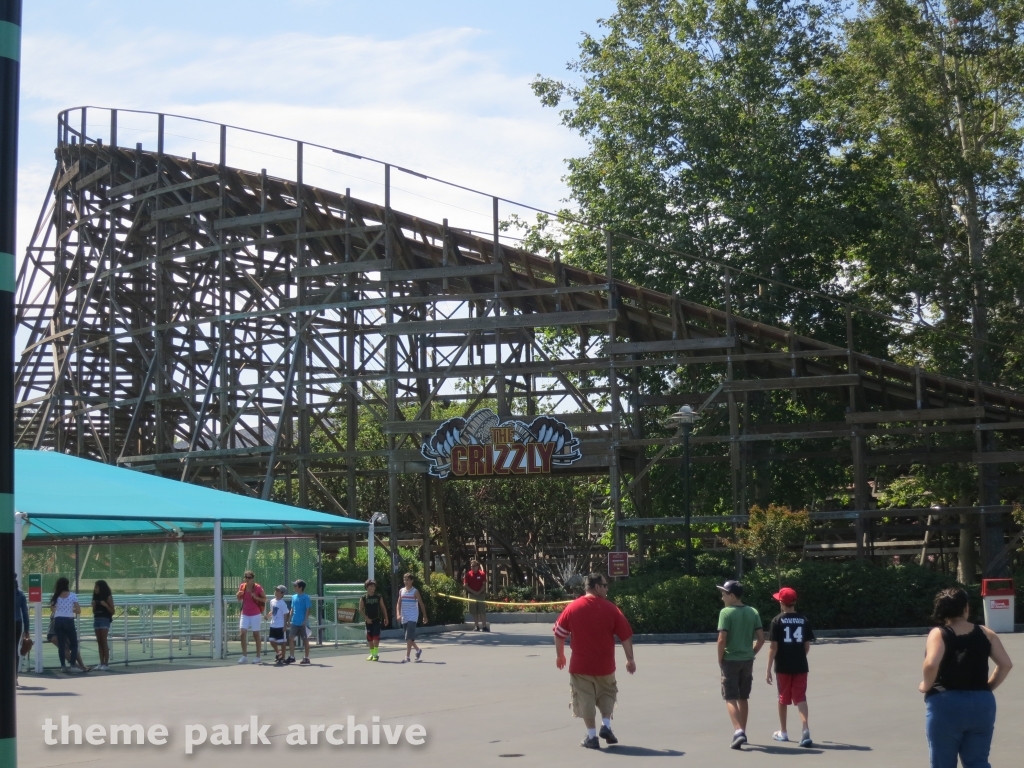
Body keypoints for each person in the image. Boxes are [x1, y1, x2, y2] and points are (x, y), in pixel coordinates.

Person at [920, 587, 1013, 768]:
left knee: (943, 762)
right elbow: (1005, 664)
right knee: (978, 761)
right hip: (982, 703)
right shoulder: (986, 633)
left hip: (946, 702)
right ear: (966, 608)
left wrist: (926, 685)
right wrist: (987, 688)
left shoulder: (939, 633)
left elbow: (931, 664)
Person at [553, 572, 636, 750]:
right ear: (597, 587)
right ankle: (606, 725)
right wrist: (630, 659)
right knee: (607, 694)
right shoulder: (612, 609)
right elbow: (625, 635)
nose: (607, 589)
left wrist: (560, 654)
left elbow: (559, 633)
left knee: (585, 699)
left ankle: (591, 737)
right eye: (605, 585)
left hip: (580, 666)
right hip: (605, 665)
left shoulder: (573, 607)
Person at [717, 579, 764, 749]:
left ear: (732, 596)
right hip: (747, 660)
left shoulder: (726, 612)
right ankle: (743, 731)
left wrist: (719, 658)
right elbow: (761, 638)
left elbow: (722, 639)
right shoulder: (753, 611)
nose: (722, 597)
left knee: (730, 697)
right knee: (743, 696)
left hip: (731, 659)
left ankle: (738, 731)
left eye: (724, 593)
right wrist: (752, 652)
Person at [765, 586, 814, 747]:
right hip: (800, 665)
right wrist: (799, 657)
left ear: (781, 602)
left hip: (783, 666)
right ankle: (805, 728)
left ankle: (783, 731)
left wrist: (768, 668)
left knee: (782, 698)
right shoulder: (803, 619)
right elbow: (807, 646)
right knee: (801, 697)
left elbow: (773, 647)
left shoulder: (777, 620)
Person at [50, 577, 88, 674]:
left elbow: (53, 609)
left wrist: (60, 610)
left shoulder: (56, 596)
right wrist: (70, 610)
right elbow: (78, 610)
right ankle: (72, 665)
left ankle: (63, 666)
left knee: (61, 645)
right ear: (67, 585)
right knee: (73, 644)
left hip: (58, 620)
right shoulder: (72, 596)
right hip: (68, 620)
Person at [236, 570, 266, 664]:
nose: (247, 579)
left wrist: (256, 597)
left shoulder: (258, 588)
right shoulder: (242, 586)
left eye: (249, 578)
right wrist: (238, 595)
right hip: (245, 613)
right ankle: (244, 656)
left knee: (256, 634)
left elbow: (265, 599)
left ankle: (258, 656)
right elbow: (239, 598)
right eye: (246, 577)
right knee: (242, 633)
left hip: (255, 614)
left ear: (253, 578)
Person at [396, 573, 428, 663]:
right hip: (404, 615)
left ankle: (407, 656)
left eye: (407, 580)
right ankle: (418, 650)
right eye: (404, 579)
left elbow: (421, 604)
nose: (405, 581)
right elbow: (398, 603)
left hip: (413, 616)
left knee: (409, 636)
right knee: (408, 637)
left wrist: (425, 616)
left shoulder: (415, 591)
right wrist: (398, 614)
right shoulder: (401, 591)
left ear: (412, 581)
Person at [359, 579, 388, 661]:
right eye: (371, 586)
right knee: (370, 637)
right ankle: (371, 654)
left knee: (376, 637)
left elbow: (383, 608)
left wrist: (386, 618)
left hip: (377, 619)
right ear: (367, 587)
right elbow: (360, 609)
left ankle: (375, 654)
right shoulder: (363, 598)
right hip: (368, 621)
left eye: (374, 586)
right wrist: (367, 618)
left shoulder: (378, 597)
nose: (373, 587)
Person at [286, 579, 312, 665]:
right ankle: (292, 656)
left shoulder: (306, 597)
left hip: (302, 623)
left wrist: (305, 620)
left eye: (295, 586)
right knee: (291, 638)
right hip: (295, 621)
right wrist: (289, 619)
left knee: (305, 639)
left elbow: (308, 609)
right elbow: (292, 609)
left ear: (300, 587)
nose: (294, 587)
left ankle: (307, 657)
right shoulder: (293, 597)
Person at [91, 580, 115, 671]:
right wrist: (94, 606)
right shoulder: (95, 597)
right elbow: (94, 612)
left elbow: (112, 611)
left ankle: (106, 663)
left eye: (97, 587)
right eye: (95, 587)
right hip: (97, 619)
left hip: (104, 619)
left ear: (101, 588)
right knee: (99, 642)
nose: (95, 589)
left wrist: (105, 605)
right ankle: (101, 663)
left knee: (103, 641)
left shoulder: (108, 597)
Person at [463, 560, 489, 631]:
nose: (473, 568)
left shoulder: (482, 574)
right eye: (471, 566)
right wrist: (473, 592)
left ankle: (484, 626)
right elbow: (465, 585)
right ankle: (476, 626)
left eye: (474, 566)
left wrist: (479, 592)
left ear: (478, 566)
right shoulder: (468, 574)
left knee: (482, 611)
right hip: (472, 595)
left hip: (480, 595)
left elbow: (484, 584)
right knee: (474, 612)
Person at [266, 585, 289, 665]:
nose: (276, 591)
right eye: (276, 590)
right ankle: (278, 653)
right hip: (273, 624)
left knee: (282, 642)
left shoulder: (283, 604)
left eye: (278, 590)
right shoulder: (272, 601)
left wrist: (285, 625)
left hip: (280, 625)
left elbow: (286, 614)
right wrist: (268, 615)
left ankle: (283, 657)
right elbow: (272, 611)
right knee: (271, 640)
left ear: (282, 593)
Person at [15, 576, 29, 684]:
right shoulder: (20, 595)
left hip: (5, 623)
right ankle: (14, 676)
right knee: (15, 649)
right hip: (17, 623)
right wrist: (27, 630)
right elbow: (25, 613)